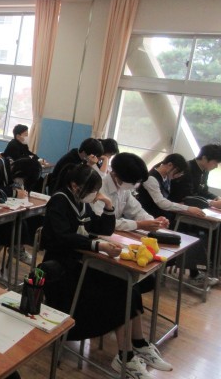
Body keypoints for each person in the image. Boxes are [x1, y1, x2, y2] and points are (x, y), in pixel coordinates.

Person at [41, 164, 172, 376]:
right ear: (74, 185)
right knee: (120, 291)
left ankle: (138, 344)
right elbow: (62, 238)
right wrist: (97, 245)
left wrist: (108, 205)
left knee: (129, 284)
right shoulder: (60, 200)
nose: (95, 194)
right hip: (62, 269)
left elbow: (103, 228)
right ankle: (125, 357)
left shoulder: (81, 202)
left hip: (81, 263)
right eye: (93, 190)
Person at [136, 153, 214, 287]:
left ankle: (194, 271)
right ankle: (193, 273)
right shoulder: (151, 178)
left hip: (162, 217)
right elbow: (161, 202)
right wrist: (187, 208)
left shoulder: (165, 177)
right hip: (150, 218)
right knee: (186, 236)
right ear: (170, 165)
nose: (178, 176)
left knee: (192, 235)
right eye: (178, 173)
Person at [91, 152, 169, 232]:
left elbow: (136, 211)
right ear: (115, 174)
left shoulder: (124, 189)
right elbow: (102, 220)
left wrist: (153, 222)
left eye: (137, 182)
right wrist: (138, 225)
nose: (135, 185)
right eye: (132, 182)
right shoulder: (98, 188)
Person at [169, 143, 221, 208]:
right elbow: (187, 196)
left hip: (190, 205)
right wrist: (212, 203)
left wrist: (216, 198)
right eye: (215, 163)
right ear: (204, 158)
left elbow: (203, 191)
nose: (216, 166)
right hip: (177, 206)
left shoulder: (205, 170)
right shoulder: (186, 169)